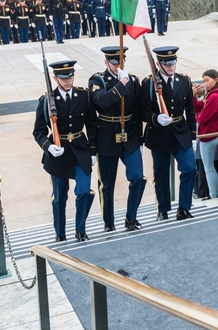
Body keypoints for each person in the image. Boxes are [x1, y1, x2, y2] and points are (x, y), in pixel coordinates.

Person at [33, 60, 97, 242]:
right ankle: (60, 233)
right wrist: (48, 146)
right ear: (55, 78)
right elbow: (38, 131)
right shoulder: (46, 100)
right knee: (60, 197)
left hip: (80, 149)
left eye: (70, 76)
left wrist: (93, 151)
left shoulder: (84, 96)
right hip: (58, 153)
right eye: (63, 77)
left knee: (84, 191)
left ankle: (80, 230)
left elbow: (92, 125)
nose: (68, 81)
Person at [89, 46, 146, 231]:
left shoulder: (133, 80)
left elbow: (137, 110)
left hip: (128, 134)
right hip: (106, 135)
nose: (117, 65)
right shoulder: (97, 80)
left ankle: (131, 217)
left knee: (138, 177)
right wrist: (121, 84)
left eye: (120, 62)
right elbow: (102, 101)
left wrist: (140, 137)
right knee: (107, 184)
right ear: (106, 63)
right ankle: (109, 223)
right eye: (114, 63)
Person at [142, 46, 198, 220]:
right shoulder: (149, 83)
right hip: (159, 133)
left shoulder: (184, 80)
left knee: (189, 169)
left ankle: (184, 208)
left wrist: (193, 136)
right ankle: (163, 209)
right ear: (158, 64)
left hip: (181, 131)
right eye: (167, 64)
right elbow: (143, 112)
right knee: (161, 174)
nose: (171, 67)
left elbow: (190, 111)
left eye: (173, 63)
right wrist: (156, 118)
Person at [193, 69, 218, 200]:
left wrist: (199, 115)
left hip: (209, 135)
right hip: (217, 134)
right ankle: (217, 193)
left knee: (209, 168)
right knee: (215, 166)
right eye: (204, 81)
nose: (205, 83)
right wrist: (194, 96)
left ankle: (214, 195)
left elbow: (202, 117)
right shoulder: (216, 94)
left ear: (216, 79)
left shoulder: (214, 96)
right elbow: (197, 107)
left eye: (208, 80)